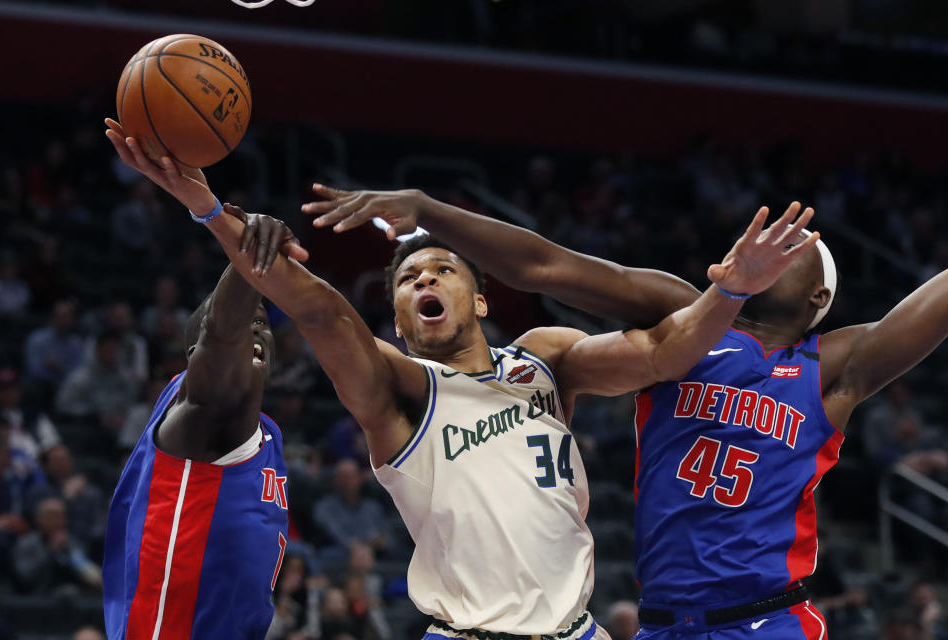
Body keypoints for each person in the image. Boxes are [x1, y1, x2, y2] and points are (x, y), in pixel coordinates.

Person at [105, 118, 817, 640]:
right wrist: (210, 212)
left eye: (441, 269)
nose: (424, 281)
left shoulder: (545, 359)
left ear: (478, 299)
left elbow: (664, 353)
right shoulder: (400, 389)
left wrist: (734, 293)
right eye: (409, 280)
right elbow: (321, 312)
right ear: (399, 320)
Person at [305, 184, 948, 639]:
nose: (775, 238)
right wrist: (429, 211)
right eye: (766, 231)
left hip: (766, 620)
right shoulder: (680, 311)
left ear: (818, 295)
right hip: (663, 625)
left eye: (796, 241)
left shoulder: (834, 366)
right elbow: (543, 266)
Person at [100, 189, 309, 638]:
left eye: (264, 323)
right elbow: (221, 333)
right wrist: (250, 259)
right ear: (195, 356)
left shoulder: (265, 434)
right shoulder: (197, 412)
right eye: (245, 320)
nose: (256, 329)